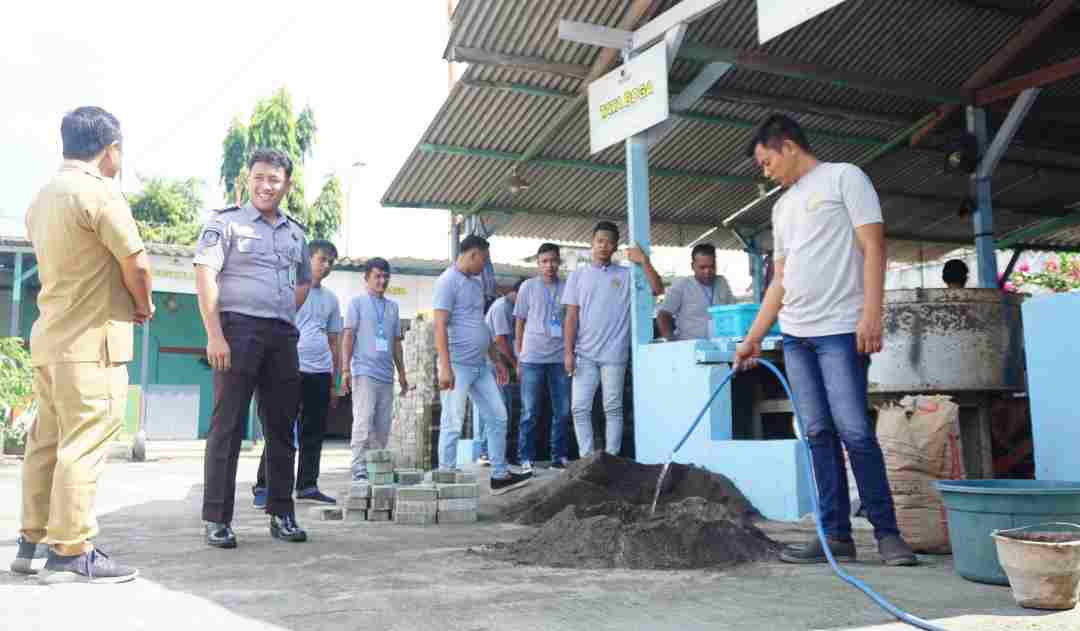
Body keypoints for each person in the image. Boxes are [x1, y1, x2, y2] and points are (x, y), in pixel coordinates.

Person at [734, 114, 917, 566]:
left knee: (854, 430)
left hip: (840, 329)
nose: (765, 170)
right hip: (795, 336)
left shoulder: (844, 178)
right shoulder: (781, 208)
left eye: (766, 160)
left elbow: (874, 246)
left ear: (789, 146)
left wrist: (871, 313)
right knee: (816, 433)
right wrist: (753, 337)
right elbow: (779, 281)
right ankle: (835, 536)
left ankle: (888, 535)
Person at [16, 106, 151, 583]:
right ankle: (70, 552)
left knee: (45, 443)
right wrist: (143, 304)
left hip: (50, 338)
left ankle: (31, 542)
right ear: (110, 148)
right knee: (84, 441)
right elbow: (136, 266)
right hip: (93, 343)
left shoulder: (41, 198)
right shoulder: (100, 195)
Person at [194, 148, 312, 548]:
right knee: (226, 427)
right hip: (237, 330)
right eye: (259, 177)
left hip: (282, 337)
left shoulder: (297, 232)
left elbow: (303, 281)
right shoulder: (224, 222)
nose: (266, 186)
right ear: (248, 179)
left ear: (286, 185)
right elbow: (205, 275)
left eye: (274, 180)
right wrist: (215, 334)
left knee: (281, 428)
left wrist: (280, 311)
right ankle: (217, 519)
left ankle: (282, 513)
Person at [434, 235, 532, 494]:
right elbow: (440, 325)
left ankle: (499, 474)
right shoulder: (447, 281)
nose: (485, 266)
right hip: (456, 365)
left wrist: (496, 359)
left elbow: (481, 325)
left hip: (480, 365)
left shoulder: (476, 283)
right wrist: (445, 366)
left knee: (498, 416)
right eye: (484, 260)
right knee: (452, 421)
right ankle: (446, 474)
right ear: (472, 255)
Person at [252, 240, 342, 508]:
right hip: (289, 368)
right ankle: (264, 487)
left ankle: (307, 485)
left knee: (313, 431)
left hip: (321, 372)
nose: (326, 266)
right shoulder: (288, 290)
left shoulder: (331, 299)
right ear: (308, 259)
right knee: (280, 430)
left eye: (330, 263)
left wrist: (335, 382)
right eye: (322, 259)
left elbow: (335, 342)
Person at [563, 221, 663, 456]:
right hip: (584, 354)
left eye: (609, 242)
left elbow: (657, 289)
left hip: (615, 355)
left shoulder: (627, 275)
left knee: (613, 409)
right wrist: (568, 353)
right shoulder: (578, 276)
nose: (603, 246)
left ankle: (612, 458)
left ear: (615, 246)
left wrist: (644, 261)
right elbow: (571, 317)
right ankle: (587, 459)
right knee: (579, 409)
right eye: (600, 241)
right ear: (592, 243)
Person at [341, 257, 409, 480]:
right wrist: (345, 370)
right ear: (367, 278)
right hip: (364, 372)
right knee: (363, 420)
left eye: (385, 276)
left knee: (382, 425)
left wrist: (402, 373)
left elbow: (396, 342)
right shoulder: (357, 303)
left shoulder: (393, 307)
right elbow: (348, 336)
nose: (382, 280)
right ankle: (358, 468)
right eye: (377, 276)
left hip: (386, 375)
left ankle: (375, 468)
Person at [514, 243, 572, 469]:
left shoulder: (567, 287)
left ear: (559, 262)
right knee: (529, 411)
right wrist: (519, 356)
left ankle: (559, 457)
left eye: (553, 261)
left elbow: (571, 321)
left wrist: (570, 352)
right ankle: (525, 457)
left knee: (563, 411)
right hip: (532, 359)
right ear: (538, 264)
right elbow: (519, 322)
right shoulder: (528, 287)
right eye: (544, 261)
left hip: (559, 358)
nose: (549, 265)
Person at [471, 278, 525, 468]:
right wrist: (515, 362)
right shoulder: (503, 307)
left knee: (501, 408)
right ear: (517, 293)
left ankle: (493, 453)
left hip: (499, 363)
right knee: (497, 408)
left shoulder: (512, 307)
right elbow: (501, 340)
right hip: (493, 363)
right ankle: (487, 452)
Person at [657, 243, 736, 340]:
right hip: (690, 346)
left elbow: (733, 312)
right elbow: (663, 315)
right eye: (702, 267)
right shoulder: (682, 285)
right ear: (692, 266)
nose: (707, 271)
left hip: (721, 344)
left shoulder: (722, 282)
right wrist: (671, 340)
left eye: (711, 267)